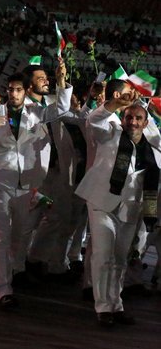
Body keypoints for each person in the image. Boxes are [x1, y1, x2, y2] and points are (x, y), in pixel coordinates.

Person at [0, 64, 72, 309]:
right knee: (1, 236)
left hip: (27, 184)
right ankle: (2, 286)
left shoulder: (37, 112)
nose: (14, 94)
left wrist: (61, 80)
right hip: (1, 181)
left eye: (18, 90)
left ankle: (14, 271)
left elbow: (62, 107)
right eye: (11, 90)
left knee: (20, 234)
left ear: (25, 91)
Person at [75, 80, 160, 327]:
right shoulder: (110, 133)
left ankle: (116, 304)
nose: (132, 122)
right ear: (123, 119)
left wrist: (150, 215)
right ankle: (103, 308)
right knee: (103, 254)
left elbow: (152, 183)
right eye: (129, 117)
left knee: (120, 259)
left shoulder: (153, 150)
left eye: (138, 118)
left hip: (130, 207)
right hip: (102, 201)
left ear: (145, 123)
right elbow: (94, 121)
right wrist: (115, 104)